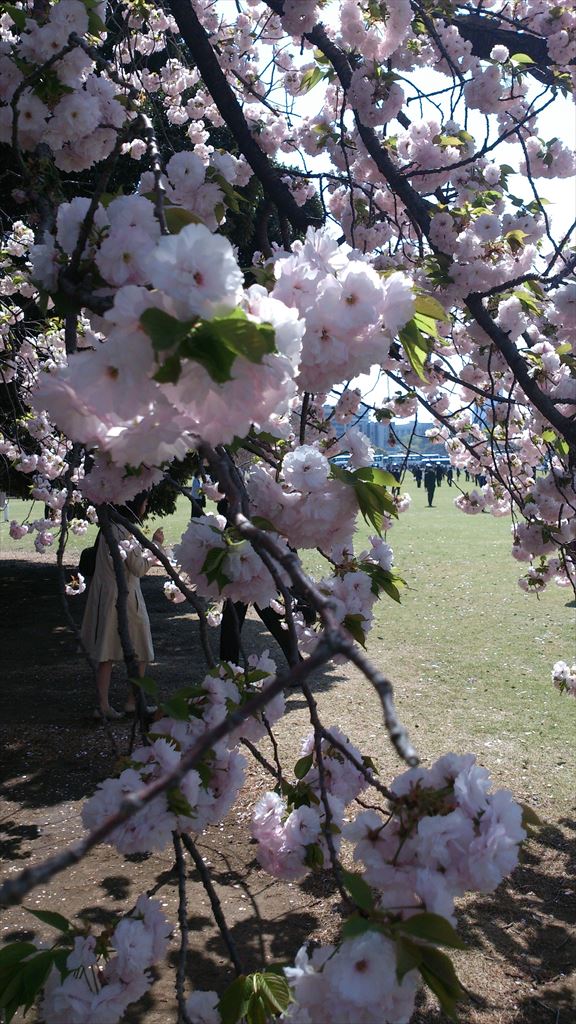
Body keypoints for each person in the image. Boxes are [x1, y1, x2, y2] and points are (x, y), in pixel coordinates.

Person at [80, 492, 164, 719]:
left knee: (106, 653)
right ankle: (131, 702)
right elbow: (138, 568)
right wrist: (156, 545)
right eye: (145, 503)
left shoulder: (108, 529)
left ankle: (104, 705)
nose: (146, 507)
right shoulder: (125, 531)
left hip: (105, 595)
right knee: (142, 650)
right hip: (125, 597)